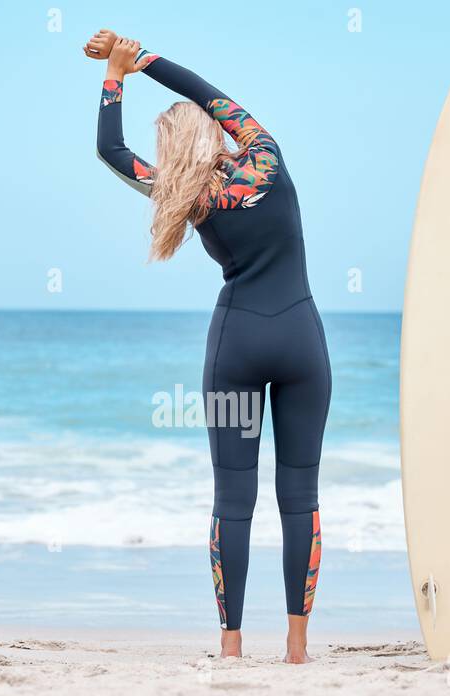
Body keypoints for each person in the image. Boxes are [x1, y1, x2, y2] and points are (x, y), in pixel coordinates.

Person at [86, 30, 331, 663]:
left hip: (235, 350)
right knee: (299, 496)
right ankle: (298, 647)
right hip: (303, 342)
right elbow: (207, 93)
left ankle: (231, 646)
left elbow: (109, 149)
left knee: (233, 498)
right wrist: (140, 61)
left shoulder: (184, 196)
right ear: (217, 134)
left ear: (172, 150)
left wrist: (113, 80)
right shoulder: (267, 159)